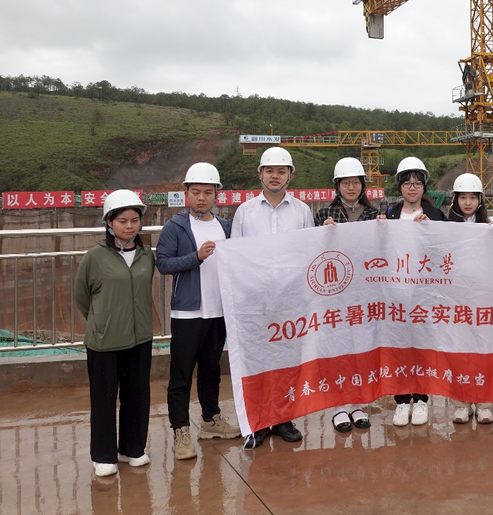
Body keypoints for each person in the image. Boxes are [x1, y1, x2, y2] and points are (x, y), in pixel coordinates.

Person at [156, 162, 241, 461]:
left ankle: (211, 420)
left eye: (207, 192)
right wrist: (195, 257)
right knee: (181, 374)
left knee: (211, 369)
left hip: (218, 312)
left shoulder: (226, 227)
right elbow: (163, 263)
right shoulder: (176, 227)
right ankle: (180, 431)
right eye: (196, 192)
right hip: (188, 313)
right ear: (186, 194)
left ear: (217, 194)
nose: (202, 198)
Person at [231, 146, 314, 447]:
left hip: (291, 299)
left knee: (287, 360)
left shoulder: (302, 211)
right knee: (256, 360)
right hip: (256, 300)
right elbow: (237, 255)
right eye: (269, 171)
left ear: (290, 175)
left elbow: (309, 252)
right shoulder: (245, 212)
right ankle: (259, 420)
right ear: (260, 174)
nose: (275, 176)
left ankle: (283, 418)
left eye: (281, 171)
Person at [75, 189, 154, 477]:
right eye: (122, 221)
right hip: (104, 342)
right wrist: (102, 322)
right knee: (104, 399)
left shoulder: (146, 255)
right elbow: (82, 296)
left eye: (135, 220)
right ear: (109, 222)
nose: (130, 226)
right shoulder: (95, 257)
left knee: (137, 395)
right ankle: (104, 455)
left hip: (140, 338)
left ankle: (132, 448)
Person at [315, 157, 379, 433]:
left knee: (360, 348)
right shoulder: (323, 215)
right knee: (337, 348)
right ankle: (338, 406)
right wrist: (323, 233)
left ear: (363, 185)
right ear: (337, 186)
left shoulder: (375, 215)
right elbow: (313, 252)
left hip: (363, 293)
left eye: (356, 182)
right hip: (335, 293)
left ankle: (358, 403)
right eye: (346, 183)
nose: (351, 187)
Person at [383, 156, 446, 426]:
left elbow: (445, 252)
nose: (412, 188)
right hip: (396, 292)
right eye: (407, 183)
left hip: (425, 293)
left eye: (417, 183)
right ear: (400, 186)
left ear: (424, 187)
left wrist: (429, 230)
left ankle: (421, 399)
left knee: (422, 347)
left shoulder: (435, 215)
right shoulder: (389, 215)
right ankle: (401, 399)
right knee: (399, 346)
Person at [446, 172, 493, 425]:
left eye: (473, 197)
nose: (467, 202)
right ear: (455, 200)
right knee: (459, 350)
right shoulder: (446, 227)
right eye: (462, 197)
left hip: (482, 298)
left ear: (480, 200)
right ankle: (461, 402)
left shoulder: (491, 228)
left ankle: (485, 402)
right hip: (457, 298)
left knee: (483, 349)